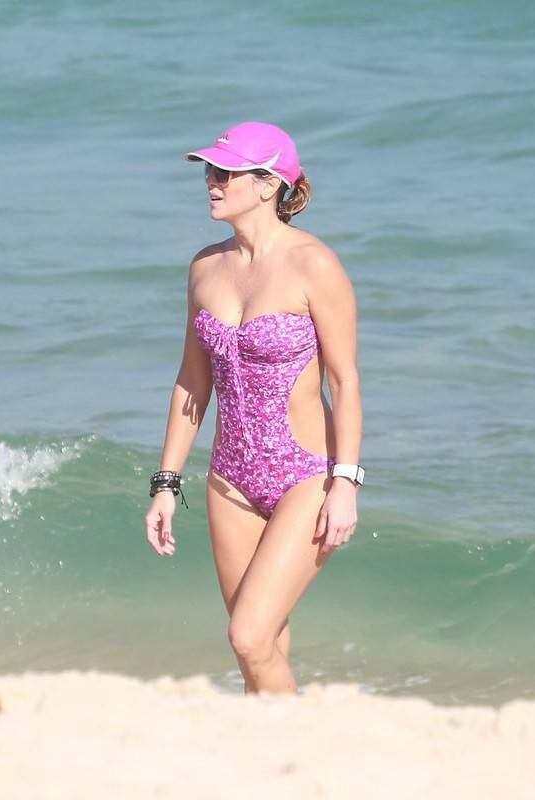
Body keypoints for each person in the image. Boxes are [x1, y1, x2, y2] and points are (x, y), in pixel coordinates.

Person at [143, 121, 365, 694]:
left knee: (246, 635)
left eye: (227, 172)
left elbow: (344, 383)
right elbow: (192, 385)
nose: (212, 182)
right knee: (259, 649)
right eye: (211, 171)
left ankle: (306, 756)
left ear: (269, 184)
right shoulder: (204, 269)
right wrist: (166, 483)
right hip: (230, 482)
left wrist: (346, 484)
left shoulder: (314, 265)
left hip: (305, 475)